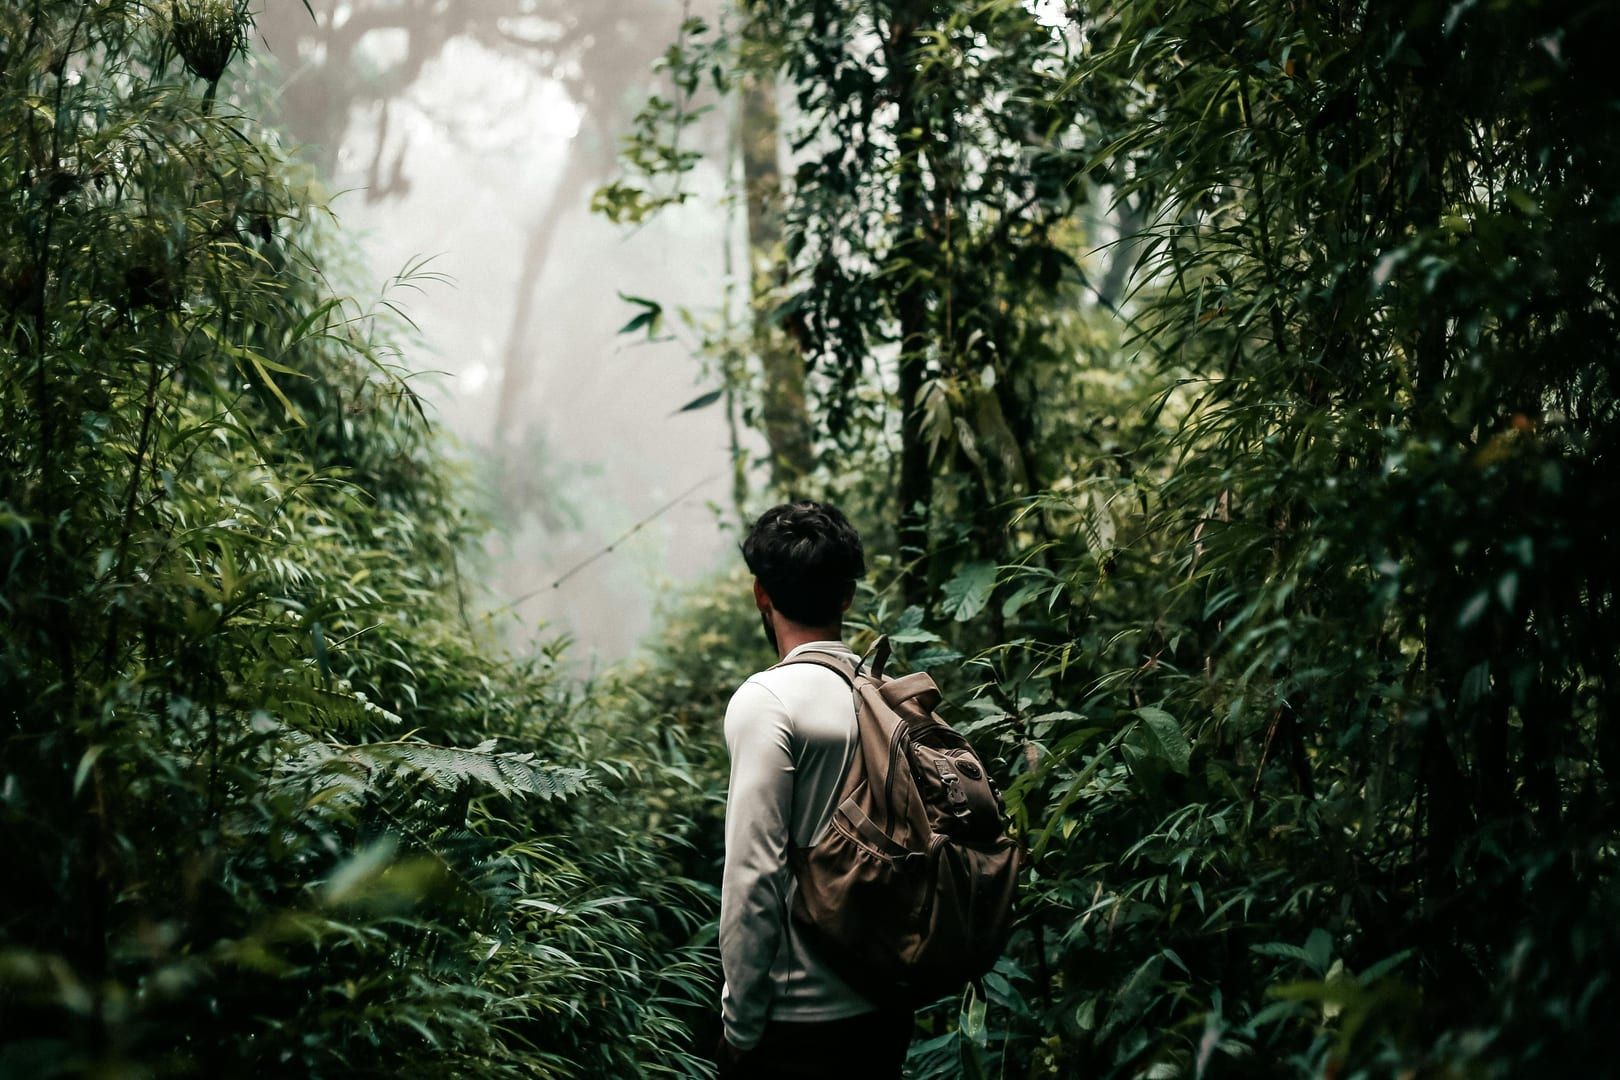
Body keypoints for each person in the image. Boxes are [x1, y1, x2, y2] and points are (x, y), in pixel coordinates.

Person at [715, 501, 914, 1079]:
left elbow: (753, 879)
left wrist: (740, 1027)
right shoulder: (886, 697)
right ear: (847, 597)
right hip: (885, 1009)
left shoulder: (767, 701)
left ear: (761, 594)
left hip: (797, 1027)